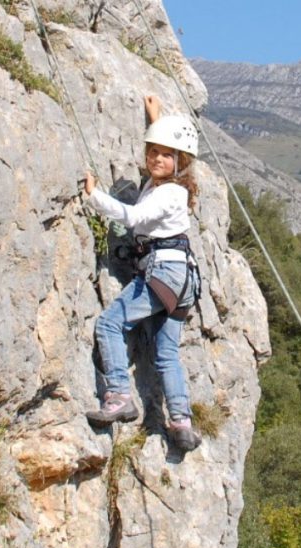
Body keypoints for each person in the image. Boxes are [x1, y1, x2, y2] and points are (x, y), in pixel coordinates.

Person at [83, 95, 202, 452]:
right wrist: (155, 119)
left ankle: (119, 394)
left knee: (109, 323)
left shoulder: (170, 193)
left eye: (166, 156)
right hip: (180, 278)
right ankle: (180, 423)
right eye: (152, 152)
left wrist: (95, 197)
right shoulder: (162, 185)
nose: (156, 160)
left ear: (180, 163)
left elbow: (134, 219)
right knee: (166, 354)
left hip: (163, 272)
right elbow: (160, 161)